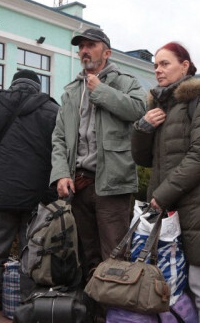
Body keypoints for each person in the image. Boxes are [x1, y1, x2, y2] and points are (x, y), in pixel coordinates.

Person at [131, 42, 200, 322]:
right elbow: (144, 159)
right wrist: (143, 127)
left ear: (184, 66)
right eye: (156, 65)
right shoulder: (160, 106)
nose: (158, 70)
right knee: (169, 284)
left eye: (165, 63)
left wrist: (162, 194)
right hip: (167, 206)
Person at [0, 69, 60, 322]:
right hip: (37, 198)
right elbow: (61, 155)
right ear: (38, 88)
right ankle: (27, 315)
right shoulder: (52, 111)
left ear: (12, 84)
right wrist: (48, 194)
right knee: (32, 258)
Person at [50, 28, 146, 285]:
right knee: (86, 255)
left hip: (112, 184)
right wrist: (60, 173)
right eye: (81, 46)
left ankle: (113, 314)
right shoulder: (71, 91)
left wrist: (101, 90)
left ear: (107, 52)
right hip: (78, 185)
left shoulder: (126, 82)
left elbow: (139, 110)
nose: (84, 51)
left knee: (115, 256)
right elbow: (59, 137)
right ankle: (93, 311)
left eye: (91, 45)